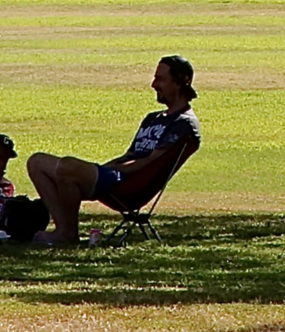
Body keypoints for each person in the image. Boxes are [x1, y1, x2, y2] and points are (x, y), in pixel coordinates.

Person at [26, 56, 201, 246]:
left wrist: (109, 171)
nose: (154, 84)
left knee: (68, 167)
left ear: (180, 81)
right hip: (116, 175)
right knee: (37, 163)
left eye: (160, 79)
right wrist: (100, 169)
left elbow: (149, 163)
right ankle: (63, 229)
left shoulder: (183, 124)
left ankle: (68, 234)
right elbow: (129, 155)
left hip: (130, 185)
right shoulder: (153, 118)